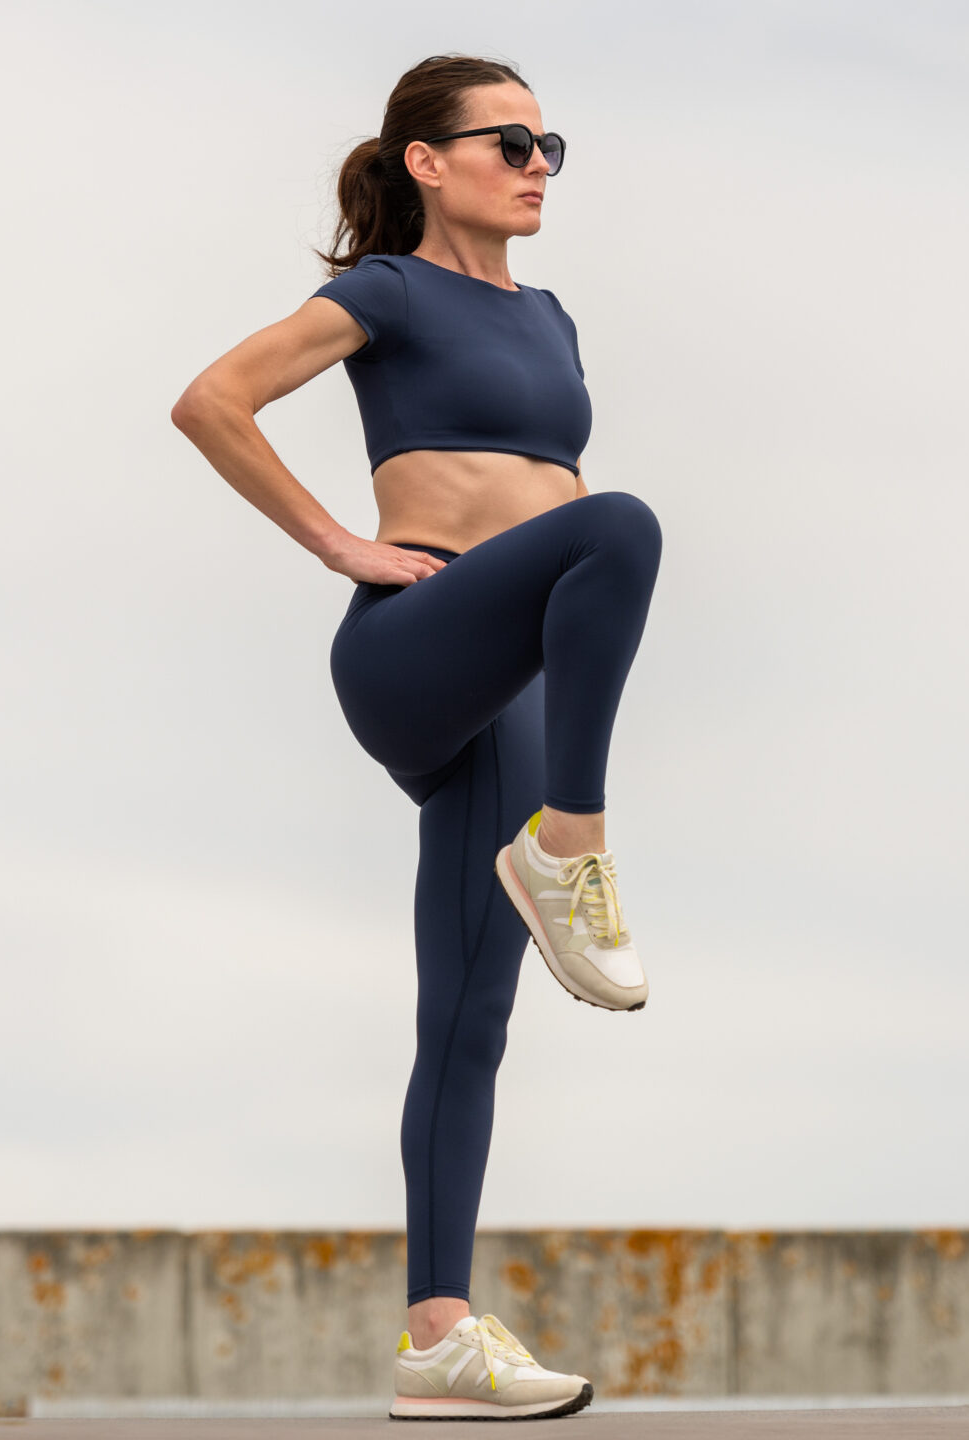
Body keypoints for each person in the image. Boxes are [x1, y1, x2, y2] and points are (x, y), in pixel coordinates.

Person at [170, 53, 661, 1421]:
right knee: (620, 524)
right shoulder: (384, 293)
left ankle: (438, 1339)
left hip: (513, 698)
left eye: (551, 142)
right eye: (507, 141)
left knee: (467, 1020)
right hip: (412, 646)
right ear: (424, 161)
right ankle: (575, 845)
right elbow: (212, 398)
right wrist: (339, 541)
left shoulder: (554, 317)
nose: (538, 163)